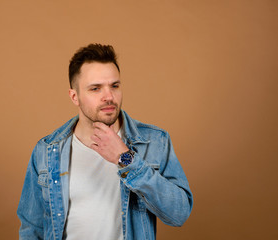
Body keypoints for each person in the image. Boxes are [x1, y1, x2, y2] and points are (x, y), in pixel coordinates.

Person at [17, 43, 193, 240]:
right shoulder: (47, 150)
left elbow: (180, 214)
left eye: (114, 86)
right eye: (95, 88)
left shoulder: (154, 142)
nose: (109, 97)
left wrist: (126, 159)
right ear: (74, 96)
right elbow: (32, 228)